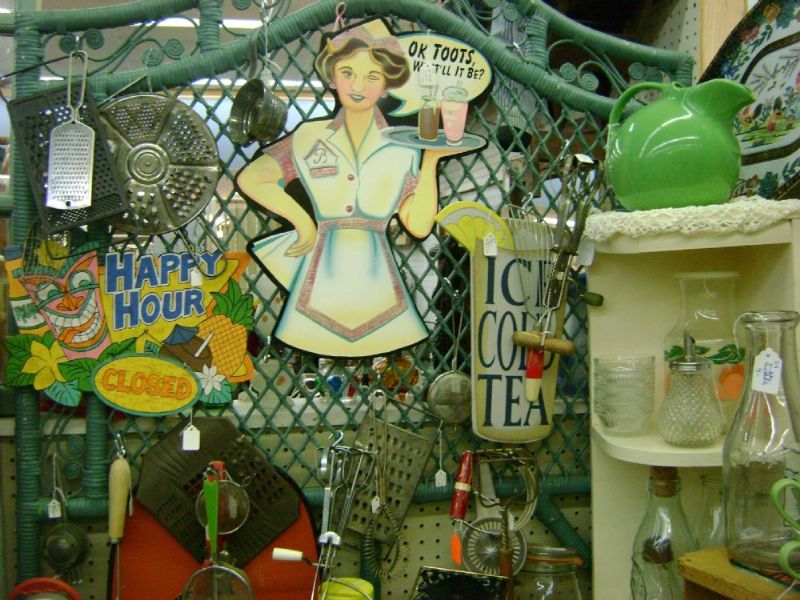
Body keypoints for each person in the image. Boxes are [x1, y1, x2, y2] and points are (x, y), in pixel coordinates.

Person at [237, 19, 465, 357]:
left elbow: (418, 225)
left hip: (382, 297)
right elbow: (252, 178)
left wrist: (431, 161)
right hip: (317, 293)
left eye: (372, 76)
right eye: (348, 73)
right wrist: (302, 222)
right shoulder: (308, 137)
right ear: (332, 77)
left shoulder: (405, 148)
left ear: (386, 85)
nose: (359, 85)